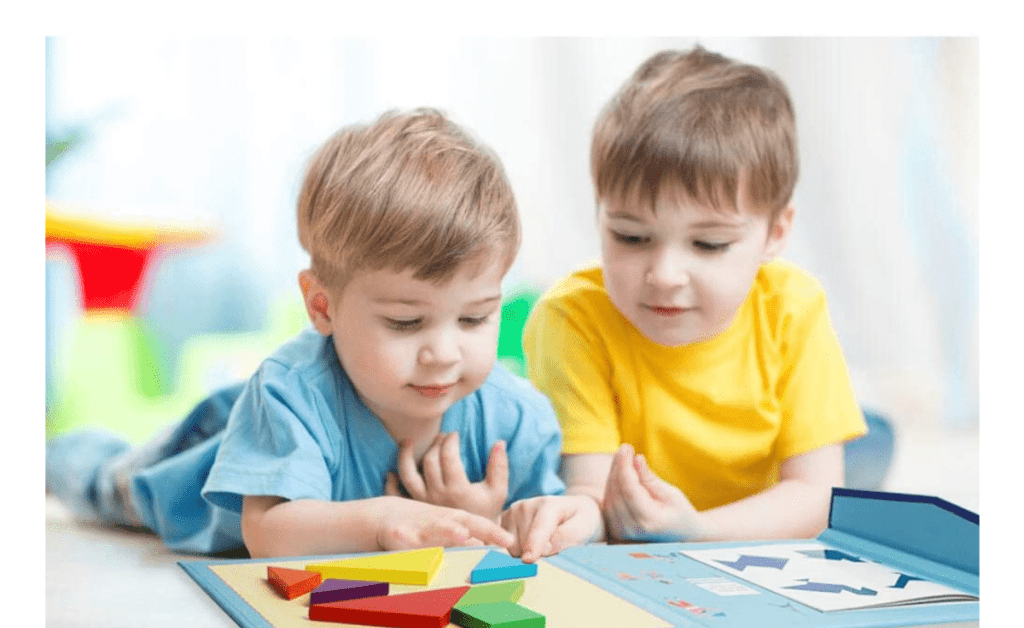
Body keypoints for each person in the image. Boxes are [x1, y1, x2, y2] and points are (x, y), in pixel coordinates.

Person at [46, 108, 566, 558]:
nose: (444, 354)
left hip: (270, 418)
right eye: (406, 322)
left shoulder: (515, 416)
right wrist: (389, 519)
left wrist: (486, 519)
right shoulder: (290, 393)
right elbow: (270, 531)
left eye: (474, 318)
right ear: (322, 306)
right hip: (205, 460)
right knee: (110, 483)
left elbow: (548, 523)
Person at [517, 46, 868, 552]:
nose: (663, 276)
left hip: (762, 492)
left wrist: (698, 530)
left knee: (863, 461)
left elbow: (816, 500)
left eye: (708, 244)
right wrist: (572, 519)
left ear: (776, 232)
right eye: (631, 237)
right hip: (696, 505)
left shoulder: (793, 306)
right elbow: (593, 496)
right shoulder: (569, 319)